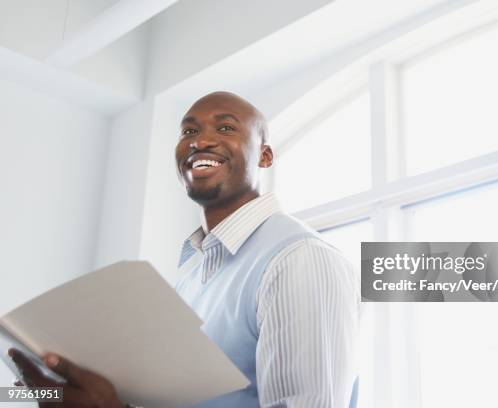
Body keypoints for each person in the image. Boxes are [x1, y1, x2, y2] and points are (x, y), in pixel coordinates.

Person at [10, 91, 360, 407]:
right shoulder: (194, 275)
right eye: (189, 132)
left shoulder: (299, 260)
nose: (201, 141)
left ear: (265, 156)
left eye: (226, 128)